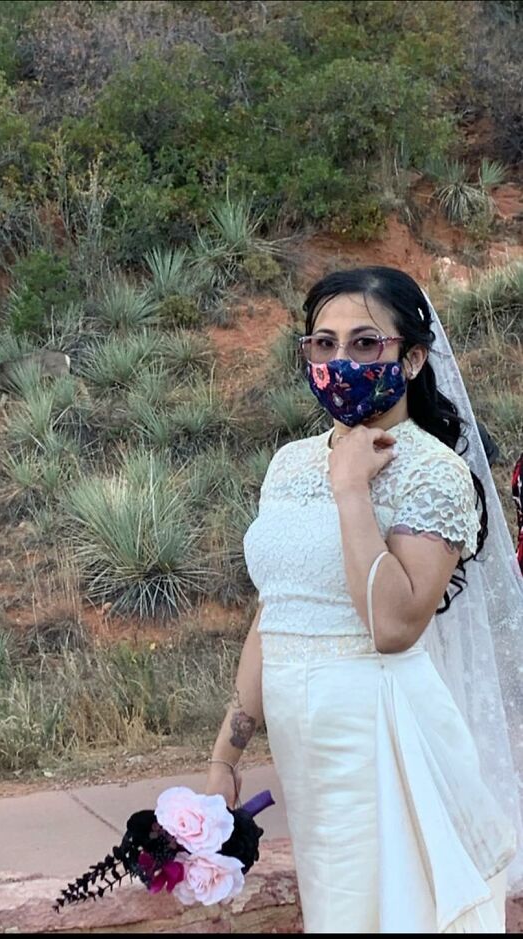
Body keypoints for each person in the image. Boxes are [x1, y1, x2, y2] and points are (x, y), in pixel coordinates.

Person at [205, 266, 523, 933]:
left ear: (410, 357)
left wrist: (352, 489)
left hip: (381, 731)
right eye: (323, 344)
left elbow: (392, 625)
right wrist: (224, 759)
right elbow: (275, 612)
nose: (340, 361)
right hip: (304, 742)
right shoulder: (289, 463)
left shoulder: (436, 472)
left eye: (363, 343)